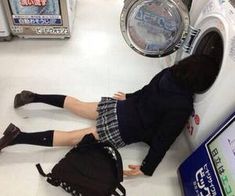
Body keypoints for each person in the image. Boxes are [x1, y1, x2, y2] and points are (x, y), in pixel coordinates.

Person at [0, 55, 218, 177]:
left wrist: (128, 97)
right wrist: (147, 168)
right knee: (71, 138)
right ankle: (18, 137)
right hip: (124, 127)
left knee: (77, 104)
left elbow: (147, 88)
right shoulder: (183, 104)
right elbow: (163, 139)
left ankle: (33, 96)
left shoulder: (170, 73)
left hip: (121, 107)